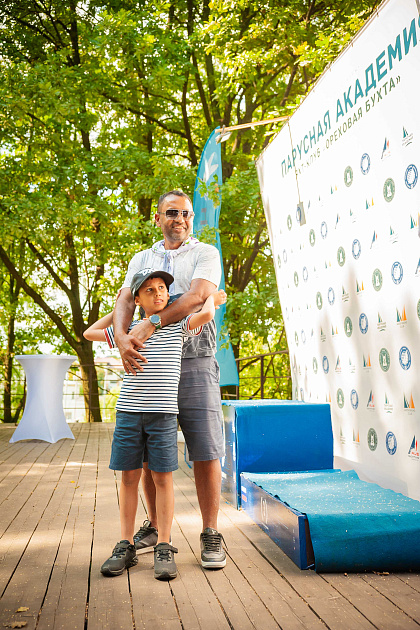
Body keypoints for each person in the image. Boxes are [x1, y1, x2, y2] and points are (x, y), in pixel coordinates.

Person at [84, 268, 226, 580]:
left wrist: (212, 300)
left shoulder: (176, 327)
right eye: (149, 290)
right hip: (129, 413)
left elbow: (204, 316)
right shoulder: (128, 331)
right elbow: (90, 333)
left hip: (163, 415)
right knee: (129, 478)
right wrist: (119, 312)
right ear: (136, 300)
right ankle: (125, 545)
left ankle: (164, 544)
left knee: (163, 478)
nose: (159, 293)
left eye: (162, 288)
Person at [113, 190, 227, 569]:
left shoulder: (205, 253)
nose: (180, 219)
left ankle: (210, 532)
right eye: (172, 213)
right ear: (157, 217)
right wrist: (123, 339)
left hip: (195, 359)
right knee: (149, 453)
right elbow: (124, 300)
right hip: (150, 365)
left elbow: (197, 297)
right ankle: (157, 527)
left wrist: (151, 323)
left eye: (186, 213)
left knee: (205, 448)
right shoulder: (141, 258)